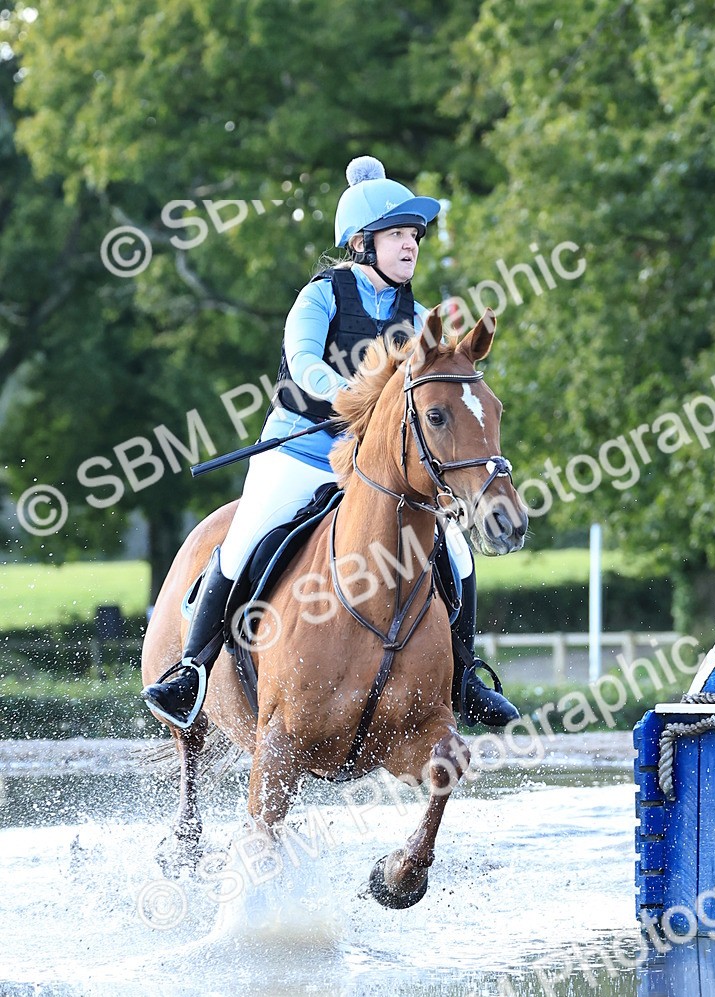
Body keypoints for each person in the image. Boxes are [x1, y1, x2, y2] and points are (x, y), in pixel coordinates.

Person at [142, 156, 519, 731]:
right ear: (362, 243)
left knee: (459, 554)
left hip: (376, 471)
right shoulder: (320, 296)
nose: (409, 246)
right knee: (242, 542)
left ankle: (463, 677)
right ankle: (192, 672)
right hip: (298, 454)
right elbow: (305, 363)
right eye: (396, 235)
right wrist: (353, 397)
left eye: (413, 236)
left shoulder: (419, 317)